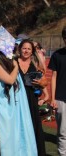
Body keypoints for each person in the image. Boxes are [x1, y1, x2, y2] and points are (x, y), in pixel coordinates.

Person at [0, 46, 37, 156]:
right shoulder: (13, 64)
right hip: (14, 107)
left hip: (0, 106)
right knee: (15, 135)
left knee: (3, 138)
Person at [17, 39, 47, 155]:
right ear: (20, 49)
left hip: (31, 99)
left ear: (32, 51)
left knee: (33, 127)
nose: (26, 51)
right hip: (17, 99)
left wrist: (40, 84)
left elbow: (45, 83)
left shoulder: (36, 65)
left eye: (29, 49)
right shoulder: (14, 62)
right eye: (24, 48)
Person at [48, 26, 66, 156]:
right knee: (63, 133)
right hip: (61, 98)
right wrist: (53, 99)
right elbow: (53, 77)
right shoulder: (57, 55)